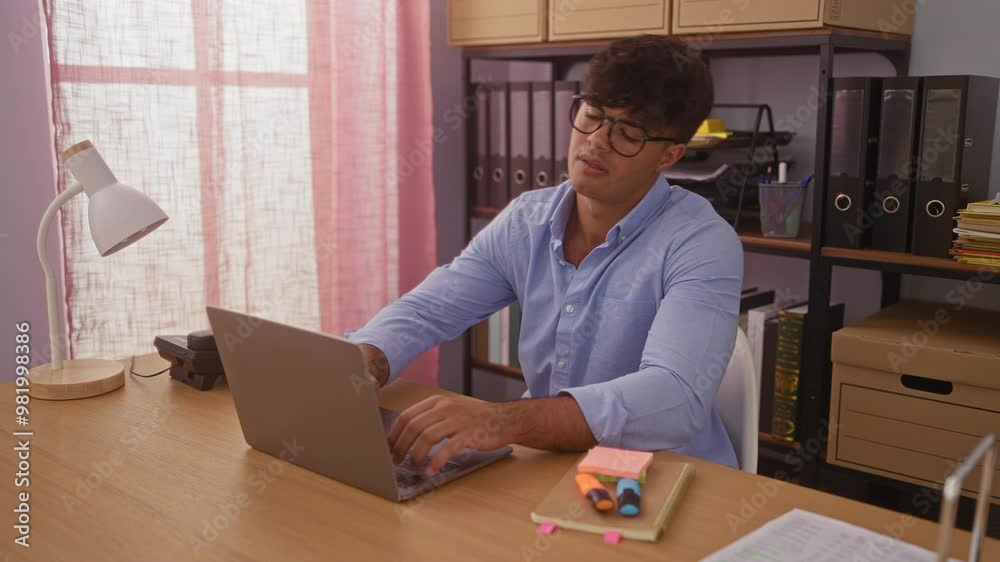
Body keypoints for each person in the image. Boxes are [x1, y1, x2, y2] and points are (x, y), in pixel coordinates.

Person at [346, 34, 743, 475]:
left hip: (667, 477)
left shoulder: (702, 242)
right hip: (553, 467)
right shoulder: (526, 220)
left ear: (669, 155)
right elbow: (428, 309)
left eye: (627, 134)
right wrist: (369, 356)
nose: (596, 142)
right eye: (590, 116)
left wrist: (501, 420)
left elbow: (675, 399)